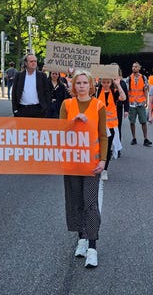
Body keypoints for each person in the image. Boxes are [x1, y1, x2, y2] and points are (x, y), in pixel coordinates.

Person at [60, 70, 108, 268]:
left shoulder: (98, 105)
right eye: (78, 83)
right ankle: (81, 238)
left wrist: (103, 160)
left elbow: (103, 135)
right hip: (72, 163)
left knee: (90, 203)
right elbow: (58, 131)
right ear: (73, 86)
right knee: (76, 202)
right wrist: (73, 122)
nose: (81, 86)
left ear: (90, 85)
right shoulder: (67, 104)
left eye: (84, 83)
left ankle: (92, 247)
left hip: (91, 164)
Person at [95, 76, 126, 180]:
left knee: (107, 149)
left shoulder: (114, 91)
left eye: (108, 82)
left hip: (111, 126)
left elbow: (123, 98)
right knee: (97, 147)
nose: (106, 84)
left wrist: (118, 84)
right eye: (104, 82)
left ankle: (104, 170)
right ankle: (96, 166)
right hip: (98, 125)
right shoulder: (96, 91)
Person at [126, 62, 152, 147]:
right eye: (133, 66)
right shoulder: (129, 78)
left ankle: (145, 139)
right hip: (131, 103)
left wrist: (146, 101)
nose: (134, 68)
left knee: (143, 121)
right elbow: (126, 91)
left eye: (136, 67)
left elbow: (146, 90)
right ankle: (134, 138)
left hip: (141, 103)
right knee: (132, 122)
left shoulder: (144, 78)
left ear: (139, 68)